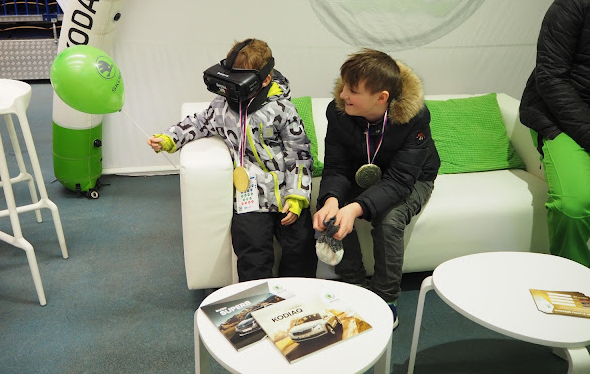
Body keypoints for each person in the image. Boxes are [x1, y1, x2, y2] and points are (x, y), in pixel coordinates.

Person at [148, 38, 317, 281]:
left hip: (286, 193)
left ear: (265, 80)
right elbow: (197, 123)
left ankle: (297, 293)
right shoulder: (222, 107)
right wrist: (168, 139)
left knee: (300, 247)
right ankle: (257, 297)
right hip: (251, 195)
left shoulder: (282, 109)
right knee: (251, 252)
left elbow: (299, 152)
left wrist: (297, 196)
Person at [313, 48, 440, 328]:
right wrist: (332, 200)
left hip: (413, 178)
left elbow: (400, 180)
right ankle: (354, 286)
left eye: (353, 90)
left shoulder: (415, 117)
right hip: (361, 174)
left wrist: (355, 208)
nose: (343, 94)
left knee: (390, 219)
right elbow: (336, 167)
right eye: (344, 86)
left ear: (381, 97)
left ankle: (385, 299)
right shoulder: (338, 112)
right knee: (330, 211)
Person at [519, 0, 590, 269]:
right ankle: (571, 279)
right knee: (573, 204)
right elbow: (551, 78)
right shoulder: (574, 3)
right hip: (559, 117)